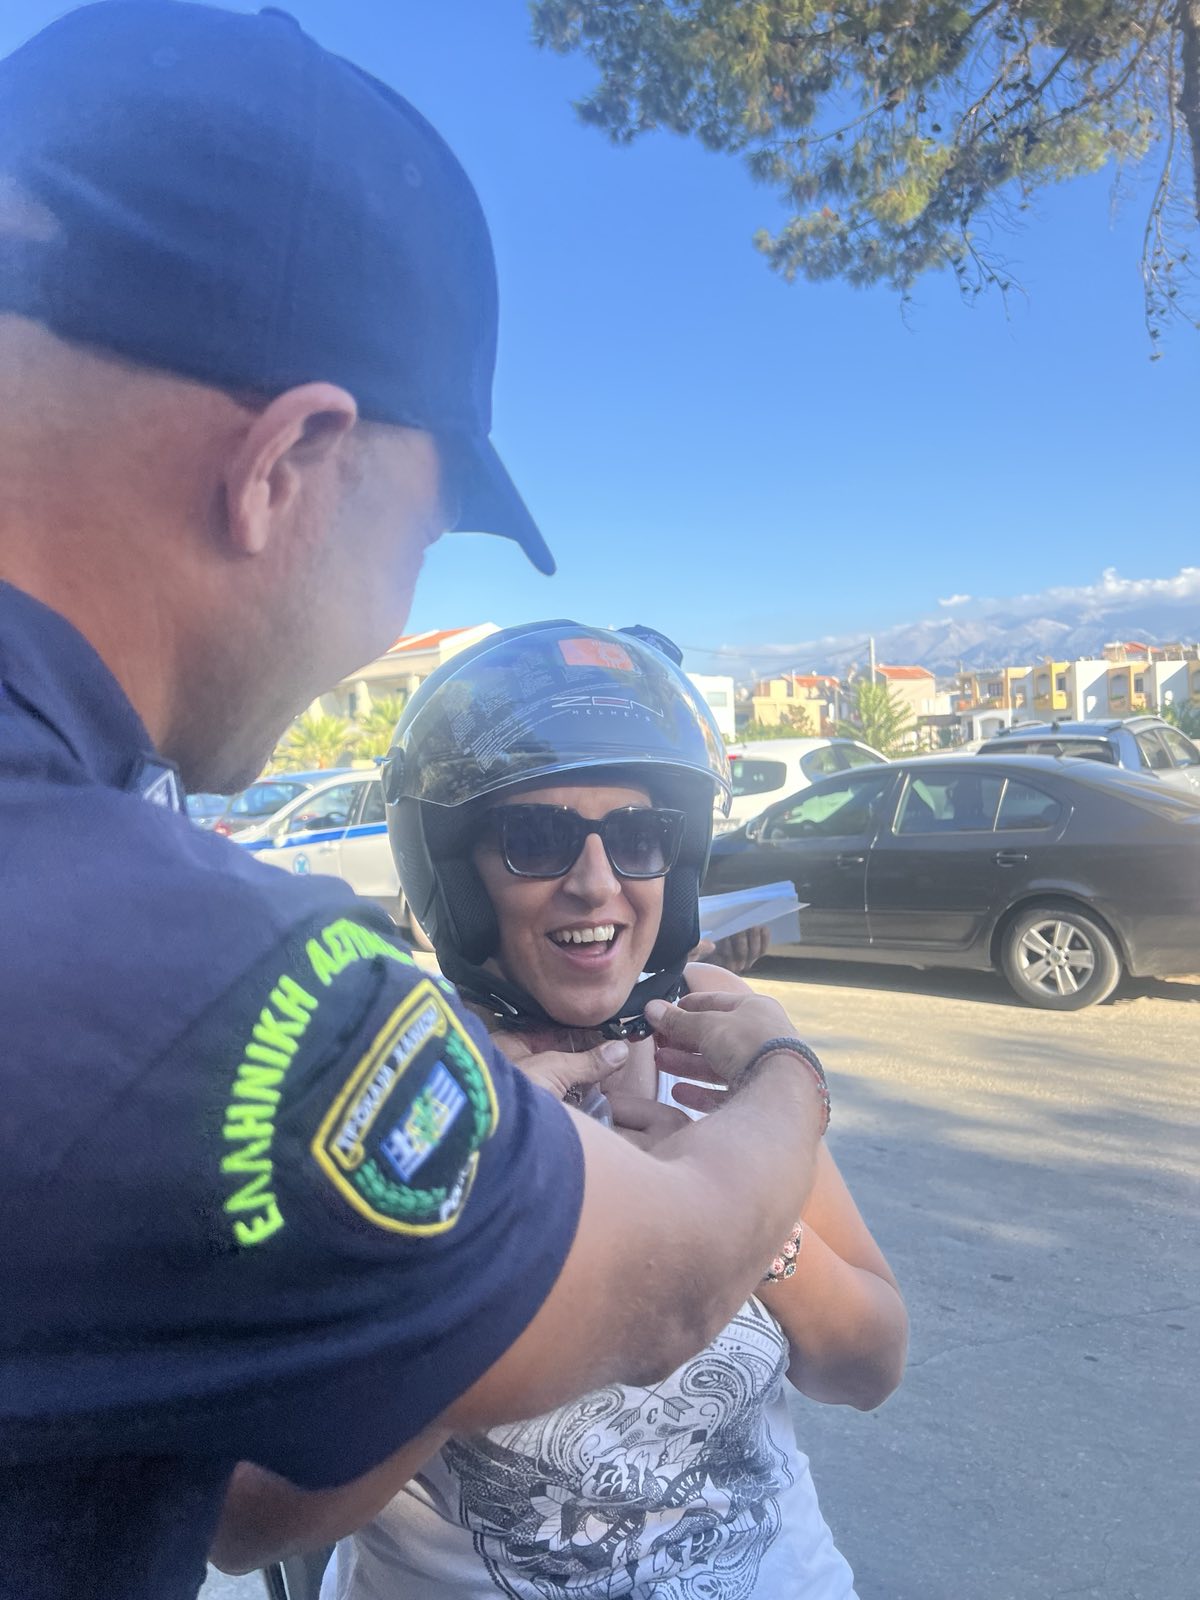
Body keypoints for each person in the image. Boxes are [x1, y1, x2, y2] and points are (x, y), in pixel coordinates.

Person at [0, 8, 831, 1598]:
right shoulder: (218, 979)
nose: (391, 615)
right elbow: (665, 1286)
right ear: (287, 463)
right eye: (424, 538)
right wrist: (790, 1072)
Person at [308, 621, 907, 1600]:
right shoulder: (397, 1071)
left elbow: (868, 1366)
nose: (596, 884)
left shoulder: (721, 1036)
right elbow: (283, 1504)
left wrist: (737, 1215)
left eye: (638, 837)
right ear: (455, 873)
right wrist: (488, 1214)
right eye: (535, 839)